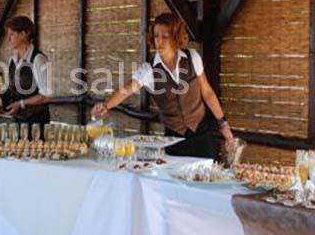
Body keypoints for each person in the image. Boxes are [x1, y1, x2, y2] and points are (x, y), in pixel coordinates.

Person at [92, 13, 234, 159]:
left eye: (165, 37)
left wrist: (223, 124)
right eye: (156, 36)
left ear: (176, 36)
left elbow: (207, 92)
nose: (159, 42)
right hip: (173, 139)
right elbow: (126, 89)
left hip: (202, 134)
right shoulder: (149, 69)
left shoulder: (193, 57)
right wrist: (106, 106)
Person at [0, 16, 52, 138]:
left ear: (24, 33)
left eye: (12, 34)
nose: (8, 38)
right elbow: (13, 88)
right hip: (18, 120)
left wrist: (20, 104)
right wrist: (3, 96)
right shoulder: (12, 60)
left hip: (37, 122)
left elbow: (46, 96)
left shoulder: (38, 59)